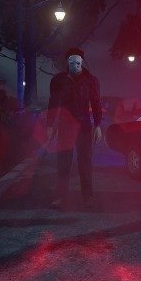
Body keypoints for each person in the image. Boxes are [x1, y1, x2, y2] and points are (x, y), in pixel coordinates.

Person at [47, 47, 102, 209]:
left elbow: (96, 103)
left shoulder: (91, 80)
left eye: (78, 63)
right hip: (65, 126)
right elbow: (53, 103)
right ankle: (60, 197)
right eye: (72, 63)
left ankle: (88, 197)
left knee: (85, 162)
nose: (76, 66)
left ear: (82, 62)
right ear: (67, 62)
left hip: (84, 126)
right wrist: (50, 125)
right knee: (63, 163)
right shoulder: (58, 80)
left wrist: (98, 125)